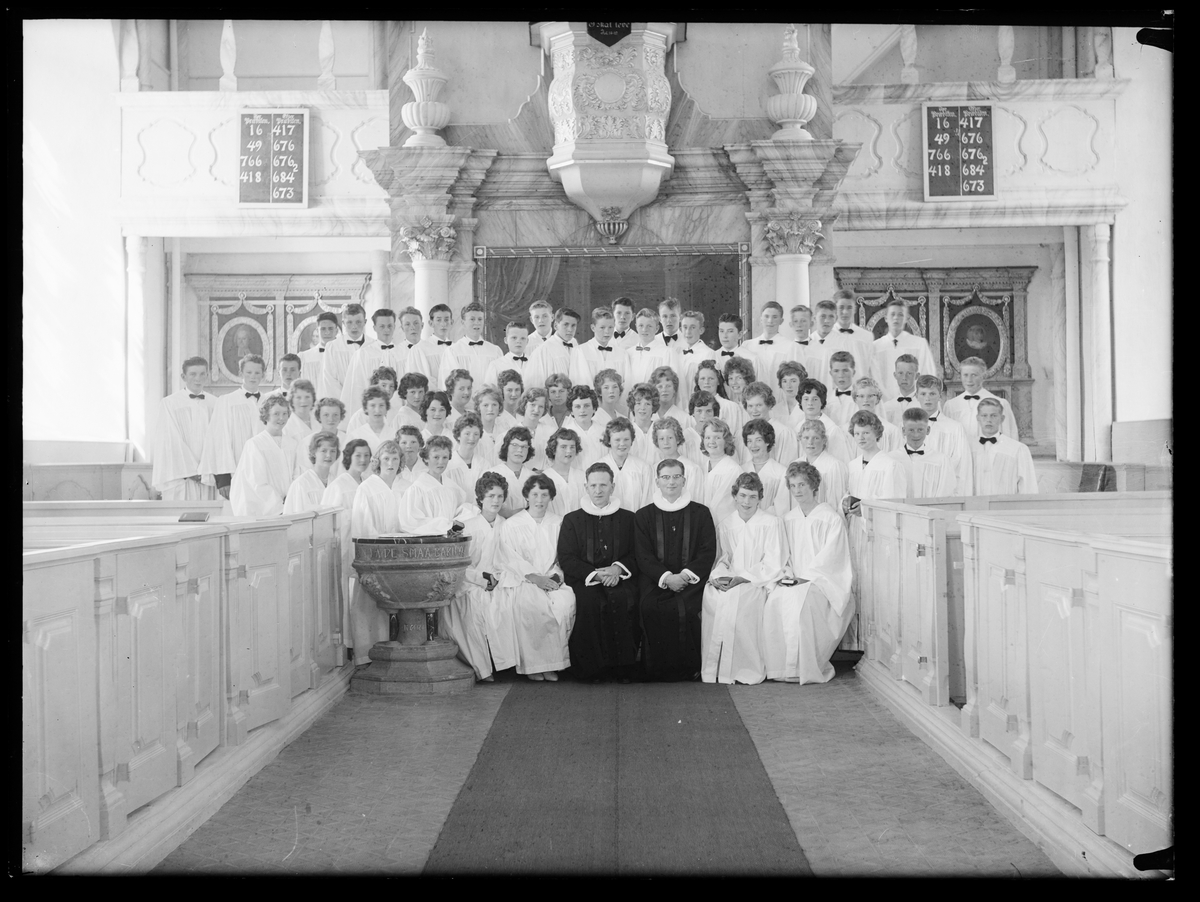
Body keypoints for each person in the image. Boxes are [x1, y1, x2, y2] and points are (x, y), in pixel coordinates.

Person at [762, 461, 855, 684]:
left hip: (822, 583)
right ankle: (784, 668)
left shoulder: (830, 518)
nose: (797, 491)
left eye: (802, 484)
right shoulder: (788, 519)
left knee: (802, 605)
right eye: (793, 486)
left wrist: (807, 578)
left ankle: (806, 667)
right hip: (793, 579)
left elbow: (833, 558)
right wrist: (788, 574)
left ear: (814, 485)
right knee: (775, 600)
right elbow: (783, 555)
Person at [634, 459, 718, 681]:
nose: (671, 482)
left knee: (688, 609)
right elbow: (643, 555)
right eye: (666, 477)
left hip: (690, 581)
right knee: (650, 607)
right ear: (657, 481)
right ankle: (655, 669)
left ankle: (688, 668)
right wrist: (666, 577)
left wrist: (685, 575)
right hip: (655, 581)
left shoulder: (701, 513)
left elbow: (707, 551)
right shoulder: (643, 515)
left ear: (684, 480)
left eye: (676, 477)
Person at [701, 472, 787, 685]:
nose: (747, 501)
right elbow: (723, 558)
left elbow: (774, 561)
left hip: (757, 581)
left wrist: (744, 578)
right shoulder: (726, 524)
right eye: (743, 496)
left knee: (741, 600)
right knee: (713, 596)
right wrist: (719, 576)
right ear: (735, 496)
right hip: (730, 578)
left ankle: (743, 668)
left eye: (752, 496)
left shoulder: (771, 523)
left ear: (760, 498)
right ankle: (717, 669)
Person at [559, 463, 641, 682]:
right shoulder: (572, 520)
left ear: (612, 487)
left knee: (625, 599)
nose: (598, 490)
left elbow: (637, 553)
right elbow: (566, 558)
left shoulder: (629, 518)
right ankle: (592, 669)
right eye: (593, 485)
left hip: (620, 578)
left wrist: (617, 569)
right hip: (586, 580)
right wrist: (595, 575)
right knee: (590, 603)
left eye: (603, 485)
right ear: (585, 487)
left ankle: (623, 667)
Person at [496, 473, 576, 681]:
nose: (539, 500)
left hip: (553, 578)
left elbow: (563, 557)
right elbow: (509, 558)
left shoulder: (559, 523)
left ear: (551, 497)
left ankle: (552, 664)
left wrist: (556, 578)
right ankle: (533, 666)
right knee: (532, 606)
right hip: (524, 578)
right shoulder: (512, 525)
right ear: (527, 496)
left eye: (544, 494)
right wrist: (534, 578)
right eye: (535, 494)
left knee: (565, 603)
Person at [441, 472, 518, 682]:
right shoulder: (469, 526)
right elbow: (461, 564)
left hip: (500, 580)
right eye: (491, 496)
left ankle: (507, 663)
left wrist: (498, 579)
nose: (495, 501)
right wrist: (481, 579)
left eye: (500, 496)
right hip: (470, 582)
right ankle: (483, 668)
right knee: (476, 605)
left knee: (509, 603)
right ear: (481, 498)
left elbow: (511, 559)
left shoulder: (507, 525)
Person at [348, 441, 405, 665]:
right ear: (378, 462)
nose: (391, 464)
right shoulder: (367, 488)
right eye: (386, 459)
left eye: (395, 459)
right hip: (377, 556)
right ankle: (368, 656)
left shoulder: (405, 486)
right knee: (370, 606)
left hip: (402, 555)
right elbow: (364, 527)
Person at [321, 437, 373, 658]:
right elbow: (329, 523)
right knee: (341, 595)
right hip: (342, 549)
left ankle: (358, 644)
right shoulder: (339, 486)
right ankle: (345, 646)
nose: (362, 460)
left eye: (366, 456)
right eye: (358, 455)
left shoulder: (365, 484)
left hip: (359, 549)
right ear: (348, 457)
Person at [200, 353, 267, 499]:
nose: (253, 376)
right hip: (235, 472)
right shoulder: (227, 401)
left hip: (264, 473)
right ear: (240, 373)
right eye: (248, 372)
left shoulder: (269, 402)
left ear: (263, 374)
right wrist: (223, 479)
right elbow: (218, 440)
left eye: (257, 372)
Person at [152, 356, 217, 500]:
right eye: (193, 374)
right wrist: (192, 471)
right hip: (181, 476)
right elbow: (169, 440)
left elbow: (219, 439)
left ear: (208, 375)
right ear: (183, 376)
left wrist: (206, 471)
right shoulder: (170, 403)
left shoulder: (215, 403)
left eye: (202, 374)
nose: (197, 379)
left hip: (208, 476)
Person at [230, 394, 300, 517]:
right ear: (266, 415)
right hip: (266, 508)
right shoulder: (255, 444)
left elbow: (297, 473)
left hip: (290, 506)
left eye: (285, 413)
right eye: (276, 414)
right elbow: (256, 481)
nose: (281, 418)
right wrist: (279, 505)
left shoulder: (292, 444)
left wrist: (290, 499)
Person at [397, 435, 468, 535]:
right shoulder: (418, 489)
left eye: (445, 457)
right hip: (429, 544)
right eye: (436, 457)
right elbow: (412, 522)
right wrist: (445, 526)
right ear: (426, 458)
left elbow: (459, 512)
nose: (441, 462)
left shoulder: (452, 487)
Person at [339, 308, 405, 413]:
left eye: (389, 326)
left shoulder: (403, 354)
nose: (386, 330)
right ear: (374, 328)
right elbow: (357, 389)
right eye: (382, 326)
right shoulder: (363, 354)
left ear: (394, 327)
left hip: (397, 411)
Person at [872, 297, 940, 398]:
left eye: (900, 315)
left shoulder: (919, 344)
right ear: (886, 318)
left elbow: (927, 375)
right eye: (892, 314)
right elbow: (874, 377)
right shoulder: (876, 346)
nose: (896, 318)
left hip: (914, 401)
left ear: (906, 318)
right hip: (884, 403)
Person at [916, 374, 973, 495]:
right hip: (915, 492)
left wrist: (959, 499)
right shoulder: (906, 428)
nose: (928, 398)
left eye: (932, 394)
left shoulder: (954, 428)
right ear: (916, 396)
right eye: (923, 394)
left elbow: (963, 468)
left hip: (945, 493)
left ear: (940, 396)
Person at [971, 398, 1038, 495]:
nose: (989, 420)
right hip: (976, 506)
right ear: (978, 418)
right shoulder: (969, 447)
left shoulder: (1017, 449)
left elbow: (1028, 486)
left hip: (1005, 505)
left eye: (994, 416)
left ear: (1002, 419)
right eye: (984, 416)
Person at [943, 356, 1018, 440]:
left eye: (974, 375)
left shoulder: (1001, 403)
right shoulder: (951, 405)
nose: (969, 380)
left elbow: (1010, 437)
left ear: (983, 376)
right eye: (965, 375)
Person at [890, 408, 955, 498]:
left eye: (920, 430)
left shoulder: (941, 461)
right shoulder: (891, 459)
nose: (916, 435)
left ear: (928, 430)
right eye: (911, 430)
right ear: (903, 431)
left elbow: (945, 493)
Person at [437, 301, 502, 390]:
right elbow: (448, 385)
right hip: (463, 402)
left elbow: (501, 382)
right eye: (472, 319)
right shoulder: (453, 351)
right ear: (463, 322)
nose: (477, 323)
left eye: (480, 319)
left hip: (489, 402)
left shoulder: (495, 351)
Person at [595, 416, 654, 511]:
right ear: (609, 441)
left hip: (635, 522)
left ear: (631, 441)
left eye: (626, 439)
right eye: (617, 440)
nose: (622, 444)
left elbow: (647, 500)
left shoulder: (643, 468)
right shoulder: (598, 468)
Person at [797, 378, 855, 462]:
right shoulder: (797, 427)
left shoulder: (832, 430)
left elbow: (841, 462)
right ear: (800, 402)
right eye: (806, 399)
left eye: (815, 399)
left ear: (822, 402)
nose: (810, 403)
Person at [317, 303, 368, 401]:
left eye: (358, 322)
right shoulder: (332, 347)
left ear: (365, 322)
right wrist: (345, 401)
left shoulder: (373, 345)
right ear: (343, 323)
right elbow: (330, 380)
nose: (354, 327)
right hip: (343, 403)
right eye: (349, 322)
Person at [741, 381, 798, 466]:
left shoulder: (783, 432)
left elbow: (787, 467)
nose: (754, 410)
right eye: (750, 406)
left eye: (759, 405)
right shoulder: (742, 433)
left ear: (769, 405)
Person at [739, 301, 790, 394]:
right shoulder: (747, 346)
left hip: (779, 399)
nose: (770, 321)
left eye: (775, 317)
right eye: (766, 316)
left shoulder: (790, 346)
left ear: (781, 321)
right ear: (761, 319)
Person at [741, 419, 791, 516]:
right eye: (749, 441)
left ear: (767, 441)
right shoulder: (741, 470)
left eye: (758, 440)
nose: (753, 445)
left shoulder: (781, 472)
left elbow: (782, 508)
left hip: (770, 525)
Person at [570, 306, 626, 393]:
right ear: (593, 328)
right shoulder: (580, 351)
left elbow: (626, 384)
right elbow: (578, 383)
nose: (607, 331)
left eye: (610, 327)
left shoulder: (622, 353)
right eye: (602, 327)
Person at [797, 419, 849, 510]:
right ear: (800, 439)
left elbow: (836, 503)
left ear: (824, 440)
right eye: (806, 438)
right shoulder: (796, 464)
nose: (810, 442)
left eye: (816, 438)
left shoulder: (834, 466)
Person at [699, 418, 743, 526]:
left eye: (717, 438)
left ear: (726, 441)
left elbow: (722, 505)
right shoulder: (701, 467)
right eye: (708, 437)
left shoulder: (732, 470)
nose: (711, 442)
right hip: (702, 525)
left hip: (724, 526)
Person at [283, 431, 340, 514]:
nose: (328, 455)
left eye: (333, 451)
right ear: (314, 453)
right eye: (324, 451)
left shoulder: (336, 483)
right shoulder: (301, 484)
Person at [525, 307, 580, 390]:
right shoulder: (542, 351)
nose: (570, 329)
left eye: (573, 325)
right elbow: (535, 385)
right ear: (555, 325)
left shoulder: (575, 344)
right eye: (566, 324)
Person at [405, 302, 456, 383]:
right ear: (431, 323)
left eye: (446, 319)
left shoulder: (456, 348)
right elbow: (415, 381)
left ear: (452, 322)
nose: (443, 324)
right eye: (438, 320)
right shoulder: (419, 349)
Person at [624, 307, 674, 386]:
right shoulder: (628, 353)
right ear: (636, 327)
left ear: (657, 328)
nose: (644, 329)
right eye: (641, 325)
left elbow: (673, 384)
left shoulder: (667, 353)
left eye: (649, 326)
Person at [694, 361, 745, 437]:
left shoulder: (731, 407)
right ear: (697, 382)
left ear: (718, 381)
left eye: (711, 378)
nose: (706, 382)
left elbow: (736, 436)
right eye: (702, 378)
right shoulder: (691, 408)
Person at [543, 427, 587, 515]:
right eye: (563, 447)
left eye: (572, 447)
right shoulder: (544, 478)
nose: (568, 451)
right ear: (554, 449)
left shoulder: (582, 477)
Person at [651, 416, 704, 487]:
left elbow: (696, 497)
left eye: (670, 438)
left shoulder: (692, 469)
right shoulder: (653, 469)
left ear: (678, 439)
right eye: (661, 439)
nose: (666, 442)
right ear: (657, 442)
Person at [495, 426, 536, 518]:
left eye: (524, 446)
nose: (519, 450)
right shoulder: (492, 474)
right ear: (506, 447)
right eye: (514, 445)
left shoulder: (534, 477)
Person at [561, 385, 606, 468]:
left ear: (594, 408)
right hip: (574, 479)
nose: (582, 410)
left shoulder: (604, 432)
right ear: (571, 411)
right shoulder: (564, 434)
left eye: (586, 406)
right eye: (577, 407)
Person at [851, 377, 901, 451]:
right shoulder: (846, 430)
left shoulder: (891, 430)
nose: (865, 400)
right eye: (861, 396)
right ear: (855, 399)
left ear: (877, 399)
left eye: (870, 396)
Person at [299, 311, 339, 393]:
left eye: (330, 328)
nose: (327, 332)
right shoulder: (304, 357)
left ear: (336, 330)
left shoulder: (345, 355)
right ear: (317, 330)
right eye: (323, 329)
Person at [484, 321, 533, 388]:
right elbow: (489, 392)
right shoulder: (496, 365)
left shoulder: (535, 362)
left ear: (527, 341)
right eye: (514, 338)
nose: (518, 341)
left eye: (523, 338)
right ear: (506, 340)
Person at [346, 386, 393, 454]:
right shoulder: (356, 436)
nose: (377, 410)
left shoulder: (394, 435)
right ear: (365, 408)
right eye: (373, 405)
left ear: (387, 408)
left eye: (381, 405)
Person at [674, 310, 713, 390]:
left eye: (693, 327)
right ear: (681, 330)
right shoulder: (678, 354)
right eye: (685, 327)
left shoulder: (708, 354)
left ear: (701, 330)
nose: (688, 332)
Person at [880, 353, 922, 427]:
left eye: (909, 373)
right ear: (895, 375)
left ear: (917, 376)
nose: (904, 377)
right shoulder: (887, 407)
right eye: (900, 373)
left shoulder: (923, 405)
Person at [626, 382, 660, 461]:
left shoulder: (660, 429)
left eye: (647, 404)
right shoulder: (626, 430)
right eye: (638, 403)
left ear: (653, 407)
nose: (642, 408)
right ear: (632, 406)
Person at [824, 350, 859, 428]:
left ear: (853, 372)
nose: (841, 375)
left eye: (845, 370)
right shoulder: (826, 399)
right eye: (836, 371)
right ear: (831, 373)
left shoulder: (861, 398)